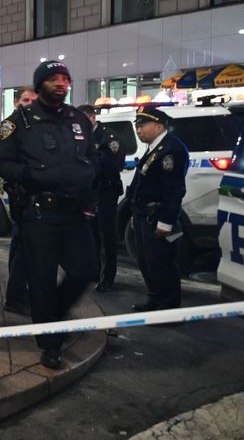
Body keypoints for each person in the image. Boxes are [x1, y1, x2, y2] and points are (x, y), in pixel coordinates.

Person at [0, 61, 99, 370]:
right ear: (39, 86)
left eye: (65, 78)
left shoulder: (77, 119)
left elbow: (92, 156)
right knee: (42, 281)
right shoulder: (20, 122)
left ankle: (55, 317)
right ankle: (49, 343)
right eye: (53, 79)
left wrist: (89, 172)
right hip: (40, 212)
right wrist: (33, 175)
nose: (61, 83)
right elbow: (0, 162)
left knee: (85, 270)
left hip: (75, 211)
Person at [124, 106, 188, 312]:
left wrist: (166, 222)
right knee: (146, 261)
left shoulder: (172, 150)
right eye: (137, 125)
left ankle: (168, 308)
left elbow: (174, 190)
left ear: (159, 126)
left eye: (143, 125)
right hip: (144, 216)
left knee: (162, 264)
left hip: (158, 217)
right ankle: (154, 301)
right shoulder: (155, 148)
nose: (138, 129)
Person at [78, 104, 125, 292]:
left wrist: (85, 167)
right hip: (90, 192)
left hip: (106, 192)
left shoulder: (108, 137)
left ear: (92, 118)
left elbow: (111, 165)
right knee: (92, 235)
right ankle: (96, 271)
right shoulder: (85, 137)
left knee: (107, 237)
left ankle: (108, 277)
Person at [3, 85, 38, 315]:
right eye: (25, 100)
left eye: (33, 100)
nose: (29, 104)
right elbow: (2, 161)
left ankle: (17, 292)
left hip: (31, 196)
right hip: (22, 196)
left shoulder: (34, 124)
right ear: (17, 102)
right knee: (25, 249)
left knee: (20, 246)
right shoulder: (13, 125)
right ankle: (15, 296)